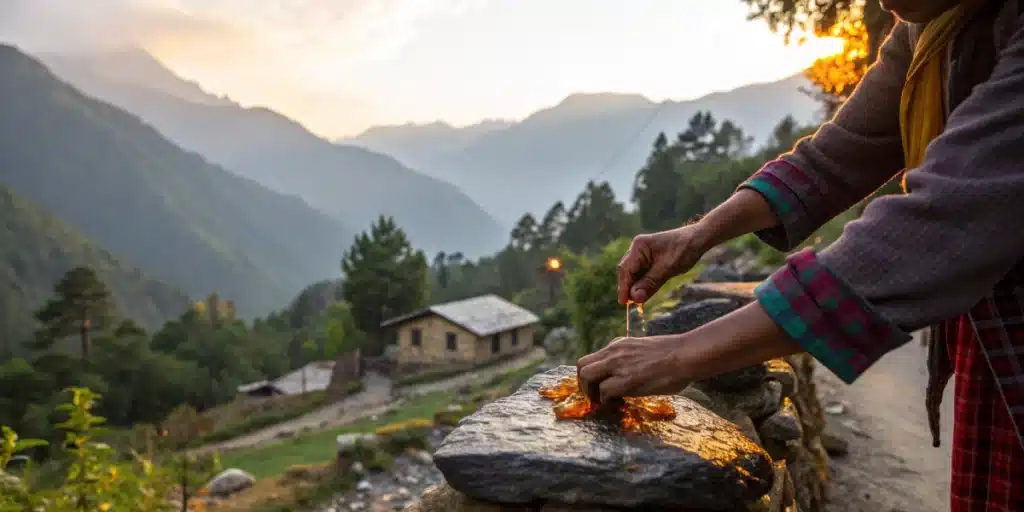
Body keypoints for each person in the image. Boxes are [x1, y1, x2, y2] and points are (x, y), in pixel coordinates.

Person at [576, 0, 1024, 510]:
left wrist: (683, 354)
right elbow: (836, 155)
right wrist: (695, 236)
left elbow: (941, 222)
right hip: (993, 349)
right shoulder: (931, 28)